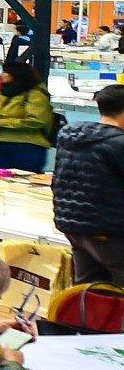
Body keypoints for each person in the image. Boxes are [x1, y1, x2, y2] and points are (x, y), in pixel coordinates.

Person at [56, 84, 124, 287]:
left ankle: (83, 320)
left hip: (74, 227)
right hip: (111, 230)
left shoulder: (69, 136)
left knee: (88, 291)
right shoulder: (118, 143)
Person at [0, 56, 57, 172]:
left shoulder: (35, 94)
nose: (1, 75)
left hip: (27, 147)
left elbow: (36, 120)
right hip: (3, 143)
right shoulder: (7, 94)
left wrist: (0, 123)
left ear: (17, 75)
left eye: (5, 72)